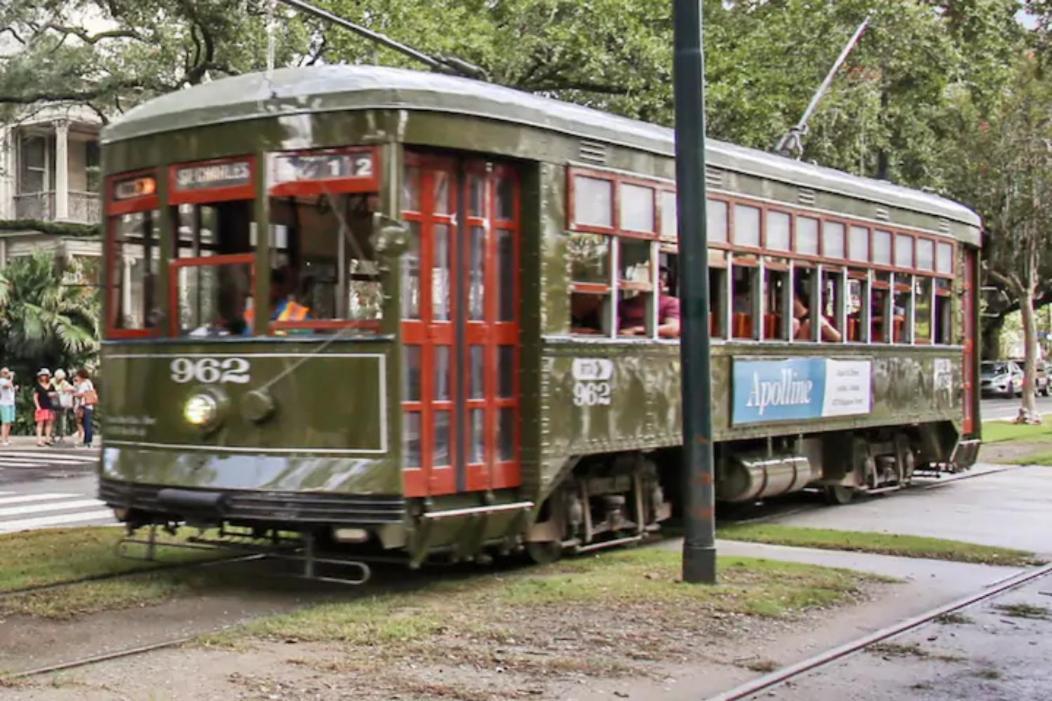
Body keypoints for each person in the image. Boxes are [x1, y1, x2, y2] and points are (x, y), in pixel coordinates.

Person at [619, 267, 681, 338]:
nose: (659, 282)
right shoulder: (623, 304)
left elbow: (673, 328)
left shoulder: (671, 302)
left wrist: (636, 330)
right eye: (653, 278)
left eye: (663, 279)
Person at [73, 368, 97, 448]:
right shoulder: (89, 383)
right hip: (90, 406)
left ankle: (87, 441)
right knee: (88, 423)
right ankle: (88, 441)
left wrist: (74, 394)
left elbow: (81, 394)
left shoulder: (84, 384)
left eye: (77, 375)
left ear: (81, 375)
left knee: (86, 424)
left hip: (84, 405)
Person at [33, 368, 55, 447]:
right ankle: (39, 440)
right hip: (41, 406)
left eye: (45, 375)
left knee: (49, 423)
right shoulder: (38, 386)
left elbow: (54, 395)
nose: (44, 377)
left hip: (50, 406)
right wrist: (37, 406)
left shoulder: (51, 386)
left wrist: (53, 395)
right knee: (40, 423)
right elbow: (35, 397)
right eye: (42, 376)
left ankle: (47, 439)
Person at [52, 369, 75, 443]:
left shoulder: (64, 383)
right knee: (53, 420)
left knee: (63, 420)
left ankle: (62, 436)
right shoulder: (51, 381)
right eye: (59, 378)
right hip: (54, 404)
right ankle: (52, 435)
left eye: (61, 378)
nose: (60, 380)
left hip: (63, 404)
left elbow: (73, 389)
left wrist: (67, 389)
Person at [0, 368, 16, 447]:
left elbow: (11, 389)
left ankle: (6, 438)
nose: (7, 374)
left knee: (9, 422)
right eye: (5, 372)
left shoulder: (8, 381)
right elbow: (6, 386)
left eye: (7, 372)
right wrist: (11, 378)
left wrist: (14, 388)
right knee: (5, 422)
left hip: (11, 403)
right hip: (4, 404)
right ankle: (3, 440)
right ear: (1, 373)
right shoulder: (1, 380)